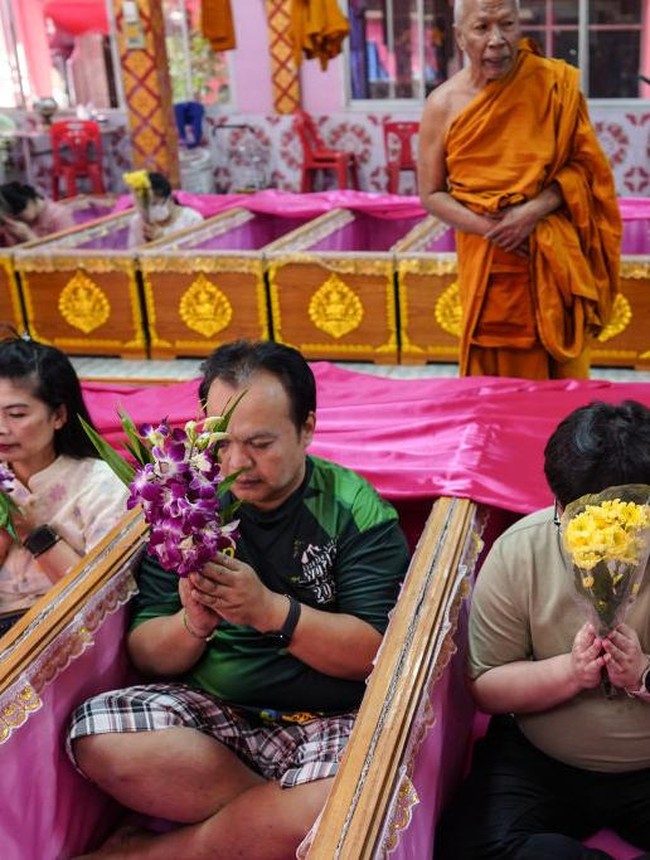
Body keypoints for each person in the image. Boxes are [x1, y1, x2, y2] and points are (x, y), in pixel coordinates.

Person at [66, 339, 410, 859]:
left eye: (261, 444)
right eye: (222, 443)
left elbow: (375, 654)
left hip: (330, 722)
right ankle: (274, 825)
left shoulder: (354, 511)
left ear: (307, 429)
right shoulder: (185, 504)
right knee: (97, 735)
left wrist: (269, 611)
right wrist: (194, 624)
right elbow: (147, 652)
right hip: (215, 720)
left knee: (365, 785)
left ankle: (157, 853)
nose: (237, 463)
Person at [435, 399, 650, 859]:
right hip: (541, 760)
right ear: (558, 502)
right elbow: (488, 687)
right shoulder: (521, 551)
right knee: (470, 848)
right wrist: (570, 672)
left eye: (629, 525)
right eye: (583, 522)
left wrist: (643, 676)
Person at [417, 0, 622, 380]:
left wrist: (532, 211)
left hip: (551, 254)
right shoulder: (442, 104)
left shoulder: (554, 85)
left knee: (561, 374)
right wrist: (495, 229)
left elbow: (586, 171)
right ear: (460, 36)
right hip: (488, 260)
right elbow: (430, 194)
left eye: (507, 25)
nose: (497, 41)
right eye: (481, 28)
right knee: (496, 381)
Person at [0, 335, 129, 634]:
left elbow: (104, 599)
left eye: (16, 414)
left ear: (58, 415)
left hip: (66, 637)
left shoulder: (102, 487)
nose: (2, 428)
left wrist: (33, 532)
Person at [127, 171, 203, 246]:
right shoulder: (138, 222)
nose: (149, 211)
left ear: (169, 198)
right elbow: (133, 255)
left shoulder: (191, 219)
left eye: (154, 204)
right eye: (144, 206)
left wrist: (163, 237)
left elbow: (199, 252)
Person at [0, 181, 74, 246]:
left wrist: (29, 236)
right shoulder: (14, 223)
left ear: (30, 199)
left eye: (18, 214)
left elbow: (68, 255)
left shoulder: (59, 216)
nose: (18, 219)